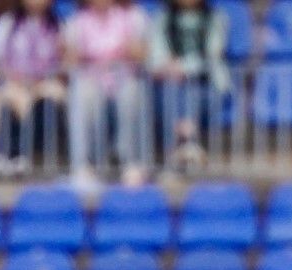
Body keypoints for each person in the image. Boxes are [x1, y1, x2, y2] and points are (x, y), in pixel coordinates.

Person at [64, 0, 150, 188]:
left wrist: (130, 50)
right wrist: (78, 56)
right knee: (82, 93)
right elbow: (68, 61)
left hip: (124, 77)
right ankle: (84, 165)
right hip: (91, 79)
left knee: (131, 92)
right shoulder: (76, 21)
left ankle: (132, 163)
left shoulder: (131, 17)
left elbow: (143, 54)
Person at [0, 0, 67, 174]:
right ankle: (5, 154)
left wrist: (39, 83)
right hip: (13, 83)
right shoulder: (8, 23)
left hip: (44, 84)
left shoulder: (59, 24)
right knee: (9, 100)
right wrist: (17, 80)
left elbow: (64, 63)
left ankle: (27, 154)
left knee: (51, 96)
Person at [148, 0, 230, 172]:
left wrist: (184, 67)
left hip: (208, 85)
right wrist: (167, 67)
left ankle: (183, 147)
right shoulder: (162, 18)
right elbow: (156, 54)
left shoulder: (215, 18)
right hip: (170, 83)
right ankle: (187, 148)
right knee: (171, 91)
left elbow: (212, 55)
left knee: (191, 89)